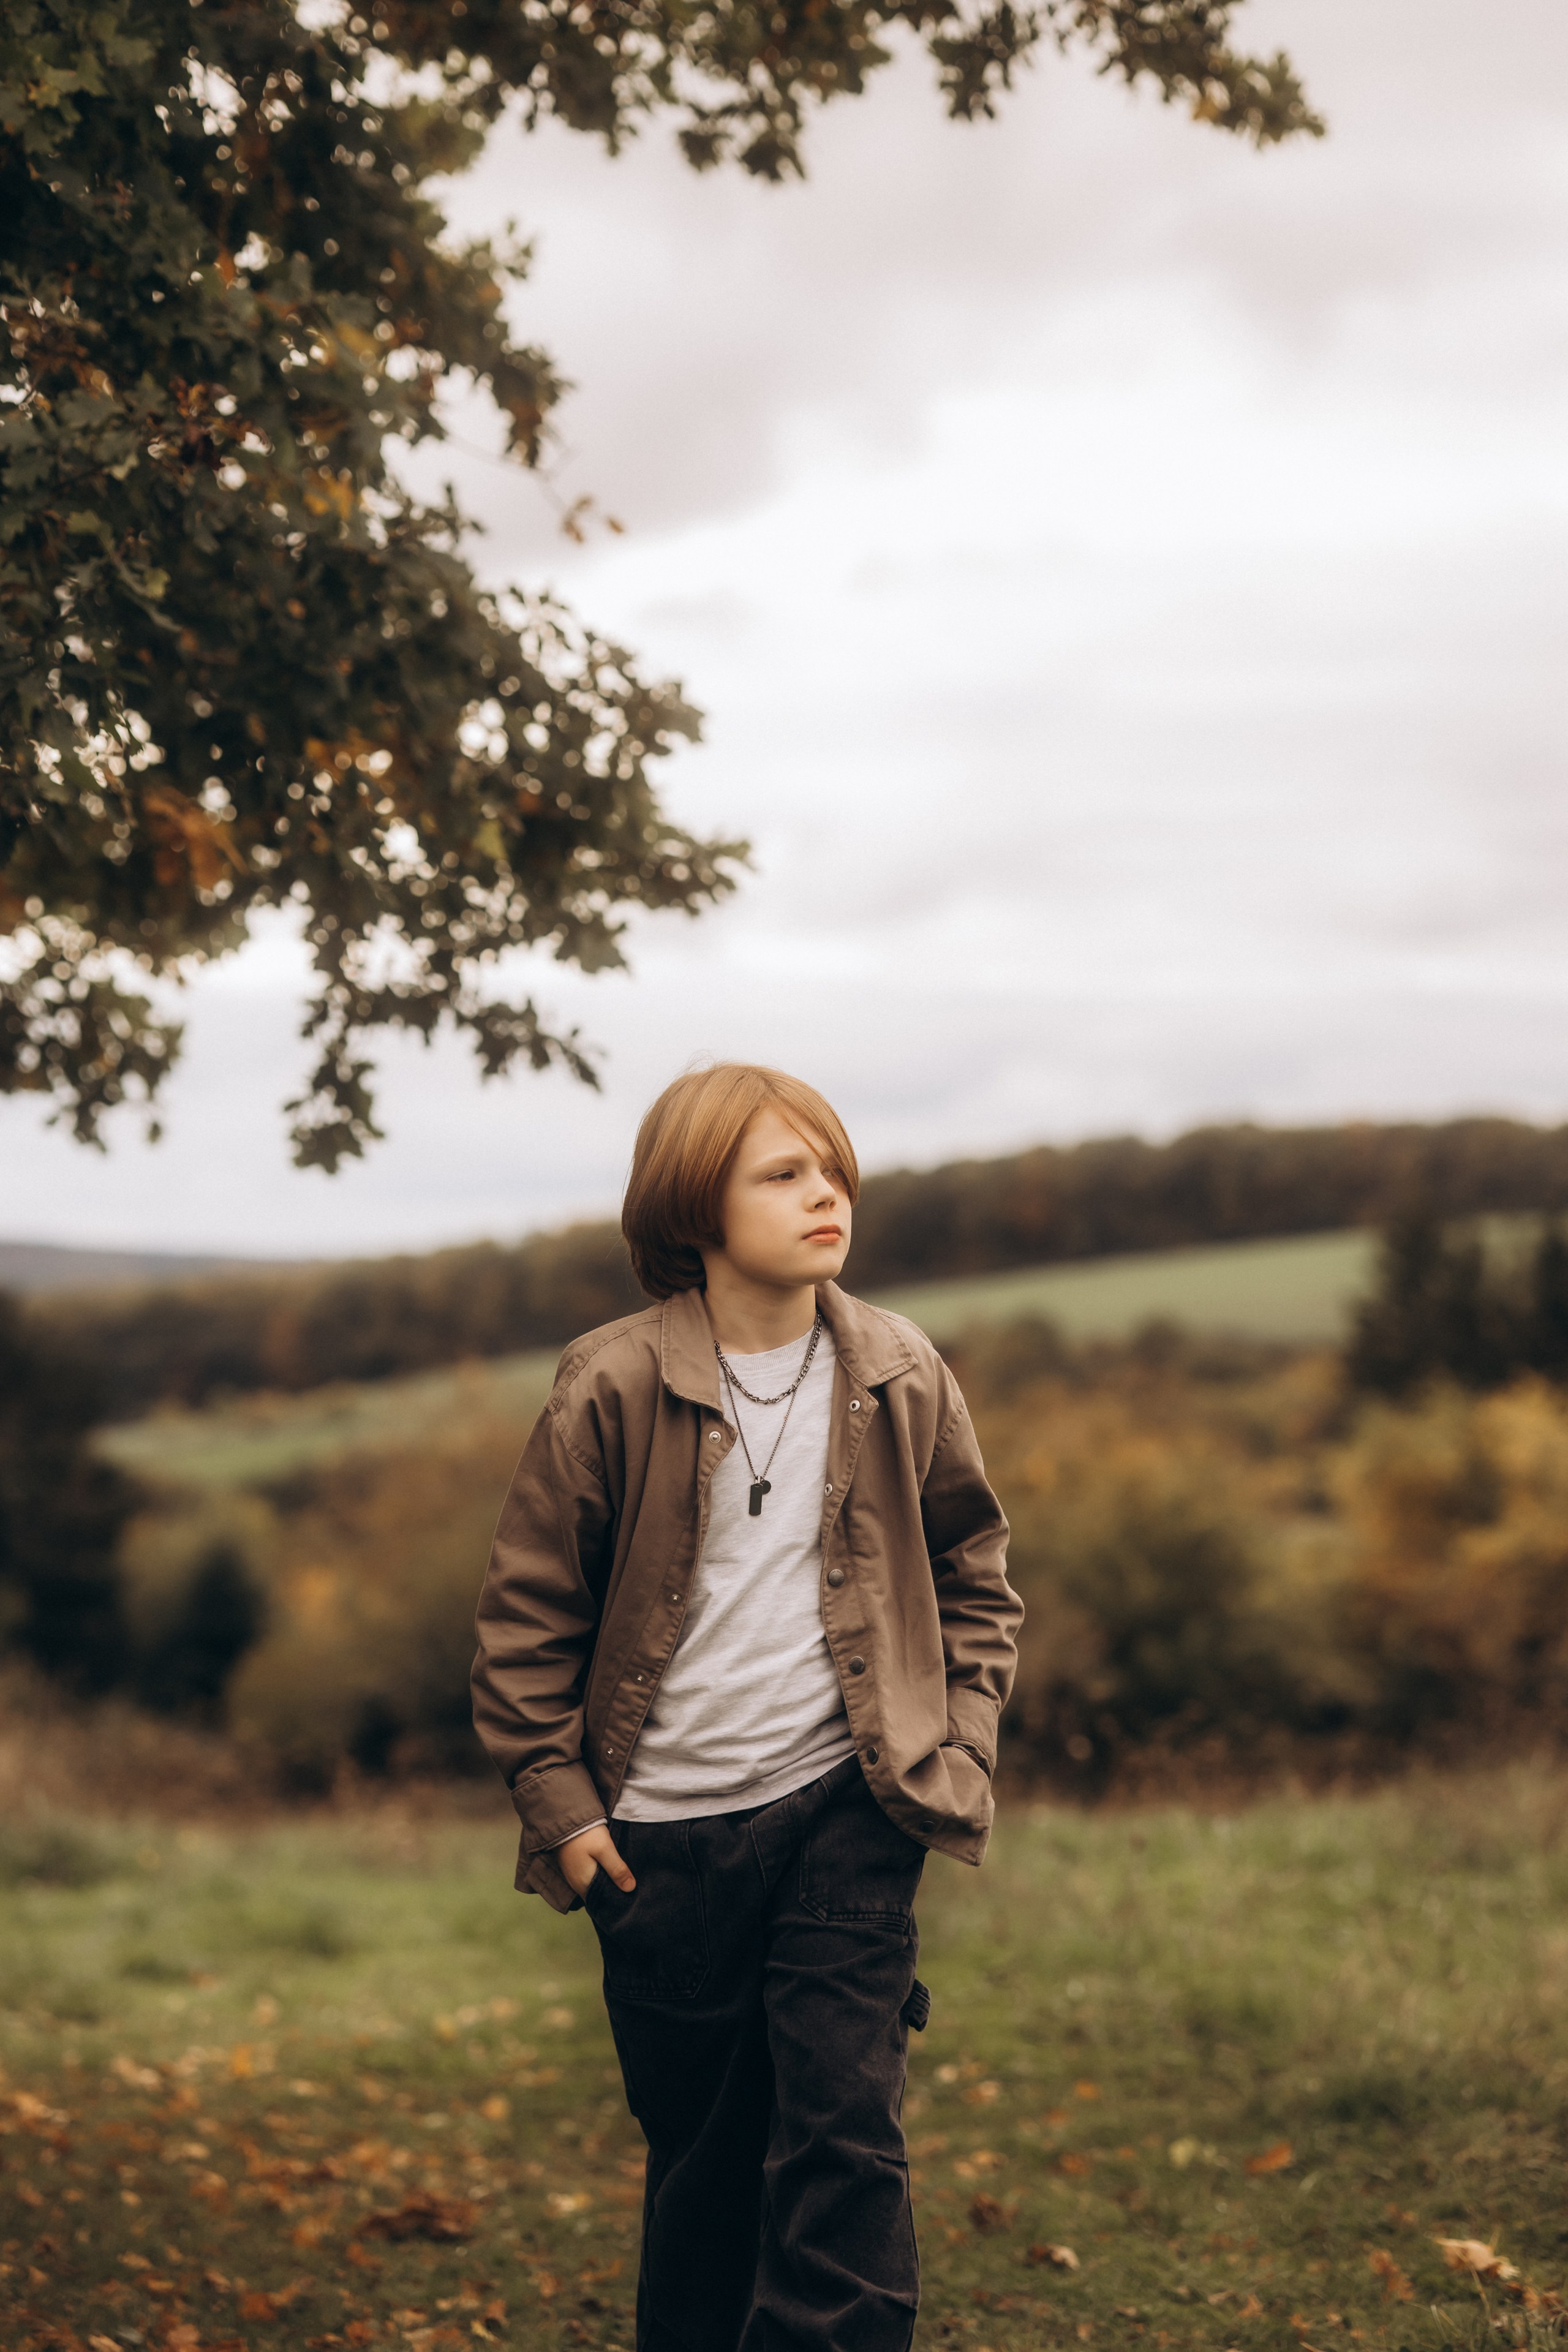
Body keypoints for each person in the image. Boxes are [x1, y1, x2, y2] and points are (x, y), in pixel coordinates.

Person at [472, 1063, 1022, 2352]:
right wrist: (560, 1811)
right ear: (694, 1209)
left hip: (849, 1808)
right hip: (655, 1843)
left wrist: (950, 1748)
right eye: (782, 1174)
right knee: (706, 2164)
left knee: (843, 2133)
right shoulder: (605, 1385)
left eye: (830, 1167)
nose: (824, 1193)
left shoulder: (897, 1368)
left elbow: (976, 1579)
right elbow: (524, 1624)